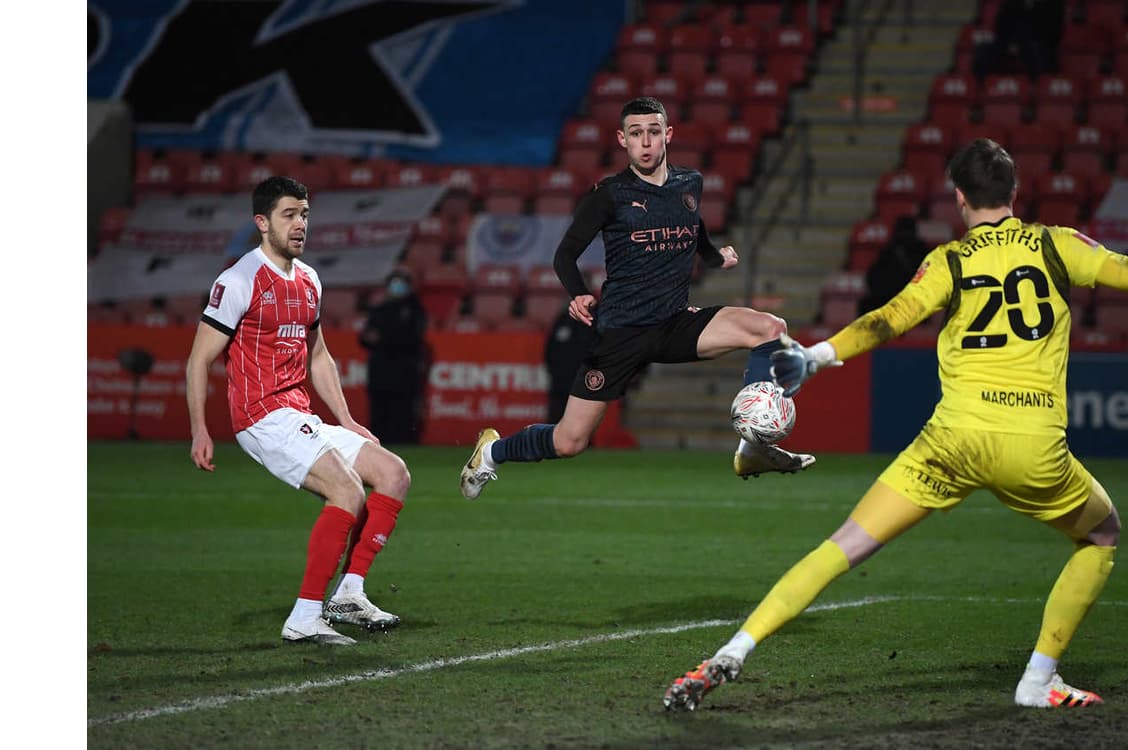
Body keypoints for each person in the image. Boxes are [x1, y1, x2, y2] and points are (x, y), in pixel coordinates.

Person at [662, 138, 1128, 711]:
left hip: (950, 441)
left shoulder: (950, 260)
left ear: (959, 198)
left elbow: (889, 319)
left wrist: (817, 356)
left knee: (843, 545)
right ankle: (1038, 679)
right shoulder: (1057, 246)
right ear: (1015, 193)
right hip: (1032, 445)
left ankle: (734, 649)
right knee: (1101, 537)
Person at [458, 96, 814, 499]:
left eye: (653, 132)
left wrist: (716, 257)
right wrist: (577, 294)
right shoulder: (609, 195)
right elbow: (564, 254)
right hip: (620, 333)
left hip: (675, 323)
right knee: (569, 442)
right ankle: (492, 451)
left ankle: (752, 447)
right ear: (622, 140)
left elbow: (691, 229)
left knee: (771, 329)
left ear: (668, 135)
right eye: (635, 133)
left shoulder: (689, 184)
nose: (645, 142)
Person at [186, 175, 412, 646]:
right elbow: (198, 359)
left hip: (300, 413)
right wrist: (199, 430)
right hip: (261, 415)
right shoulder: (238, 280)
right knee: (347, 492)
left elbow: (318, 356)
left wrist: (347, 420)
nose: (300, 224)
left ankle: (349, 594)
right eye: (289, 215)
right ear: (262, 222)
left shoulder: (309, 279)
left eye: (304, 214)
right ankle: (305, 616)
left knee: (393, 473)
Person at [360, 267, 429, 444]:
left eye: (401, 283)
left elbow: (411, 338)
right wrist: (384, 338)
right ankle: (377, 446)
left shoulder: (415, 310)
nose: (397, 287)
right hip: (380, 371)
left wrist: (382, 338)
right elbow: (364, 338)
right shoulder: (379, 310)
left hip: (405, 371)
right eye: (394, 283)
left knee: (404, 413)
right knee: (379, 412)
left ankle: (406, 445)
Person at [858, 214, 930, 315]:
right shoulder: (889, 251)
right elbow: (872, 278)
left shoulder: (921, 252)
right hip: (888, 299)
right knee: (866, 304)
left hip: (914, 301)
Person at [543, 305, 599, 424]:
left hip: (583, 383)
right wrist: (554, 372)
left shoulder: (595, 319)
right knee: (555, 421)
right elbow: (550, 350)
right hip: (560, 383)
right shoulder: (563, 319)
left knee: (582, 423)